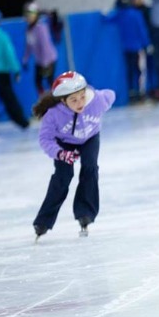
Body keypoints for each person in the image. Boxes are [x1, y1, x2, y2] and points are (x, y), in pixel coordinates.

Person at [31, 71, 115, 239]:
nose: (80, 103)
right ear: (63, 101)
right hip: (64, 142)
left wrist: (98, 98)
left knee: (90, 167)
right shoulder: (53, 114)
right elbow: (45, 139)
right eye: (74, 100)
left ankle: (85, 213)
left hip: (90, 137)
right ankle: (43, 221)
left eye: (82, 96)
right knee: (63, 176)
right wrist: (60, 153)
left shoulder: (97, 100)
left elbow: (111, 94)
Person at [104, 0, 151, 103]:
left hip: (127, 48)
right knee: (139, 70)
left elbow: (106, 19)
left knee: (131, 70)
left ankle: (132, 92)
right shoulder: (135, 14)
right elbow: (142, 30)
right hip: (137, 48)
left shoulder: (120, 13)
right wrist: (147, 44)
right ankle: (140, 92)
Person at [0, 8, 30, 129]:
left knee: (8, 97)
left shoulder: (2, 37)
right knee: (9, 97)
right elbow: (9, 54)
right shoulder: (2, 37)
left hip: (0, 72)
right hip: (2, 73)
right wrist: (16, 71)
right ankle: (22, 121)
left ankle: (21, 121)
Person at [22, 2, 58, 96]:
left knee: (50, 82)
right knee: (38, 82)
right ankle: (44, 102)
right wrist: (25, 59)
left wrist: (46, 63)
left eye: (31, 14)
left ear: (36, 15)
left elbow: (45, 46)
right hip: (39, 61)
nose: (28, 17)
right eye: (27, 14)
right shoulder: (29, 29)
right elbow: (29, 46)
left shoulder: (41, 28)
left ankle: (58, 102)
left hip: (49, 60)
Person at [130, 0, 158, 98]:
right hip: (137, 45)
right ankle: (141, 91)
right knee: (139, 68)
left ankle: (154, 89)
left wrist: (150, 42)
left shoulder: (147, 10)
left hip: (147, 43)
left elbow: (151, 27)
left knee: (151, 67)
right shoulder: (131, 12)